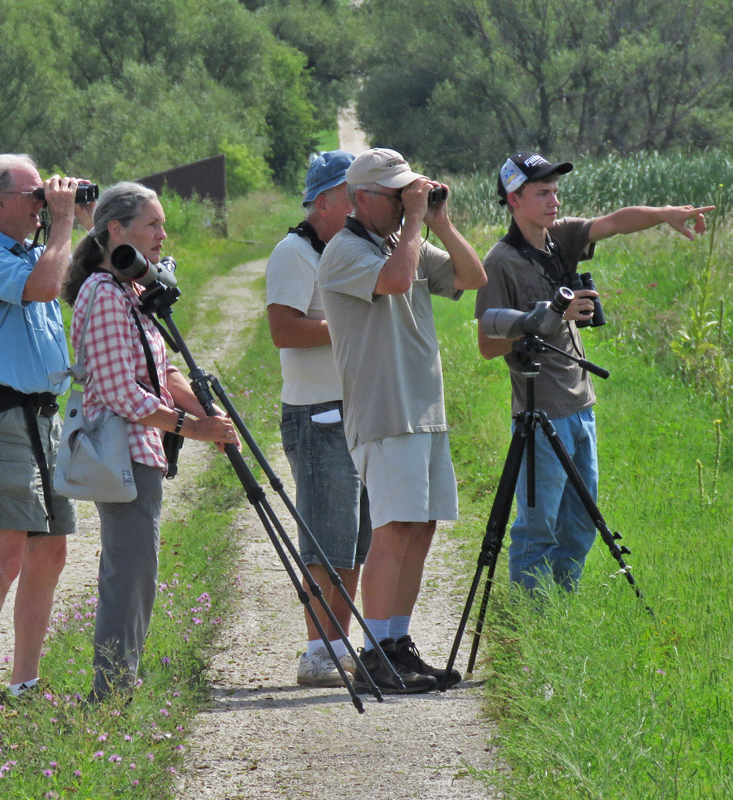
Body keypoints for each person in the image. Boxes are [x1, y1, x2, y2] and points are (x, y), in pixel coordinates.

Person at [475, 152, 714, 592]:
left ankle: (562, 610)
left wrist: (667, 215)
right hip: (539, 409)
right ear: (513, 198)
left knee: (581, 523)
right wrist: (550, 316)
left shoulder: (559, 238)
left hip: (582, 405)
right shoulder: (500, 261)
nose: (554, 201)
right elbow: (488, 344)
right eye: (542, 192)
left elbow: (617, 221)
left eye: (555, 191)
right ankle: (531, 620)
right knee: (538, 526)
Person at [62, 182, 239, 701]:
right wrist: (194, 429)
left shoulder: (129, 290)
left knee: (139, 572)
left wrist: (204, 409)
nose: (163, 235)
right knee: (129, 576)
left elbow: (159, 374)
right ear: (116, 231)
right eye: (152, 224)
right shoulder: (102, 293)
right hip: (122, 454)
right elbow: (121, 394)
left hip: (140, 454)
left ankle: (118, 690)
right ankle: (110, 697)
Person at [319, 147, 487, 693]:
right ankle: (375, 653)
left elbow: (472, 277)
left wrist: (439, 220)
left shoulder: (402, 241)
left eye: (408, 191)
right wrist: (416, 222)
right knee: (392, 530)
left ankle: (397, 641)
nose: (404, 201)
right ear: (361, 198)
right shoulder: (343, 251)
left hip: (424, 408)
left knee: (422, 526)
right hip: (385, 410)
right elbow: (393, 281)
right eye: (396, 194)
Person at [0, 154, 93, 732]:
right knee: (1, 560)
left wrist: (79, 217)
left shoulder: (28, 250)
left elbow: (79, 279)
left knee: (50, 553)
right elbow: (45, 287)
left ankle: (25, 682)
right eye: (34, 194)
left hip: (43, 418)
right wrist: (58, 225)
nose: (41, 202)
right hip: (1, 420)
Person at [265, 151, 372, 688]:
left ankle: (338, 642)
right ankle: (315, 649)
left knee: (353, 539)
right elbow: (283, 329)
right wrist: (350, 325)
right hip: (317, 413)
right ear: (324, 201)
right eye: (351, 196)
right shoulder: (293, 253)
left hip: (356, 409)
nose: (358, 206)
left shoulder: (346, 250)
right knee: (324, 540)